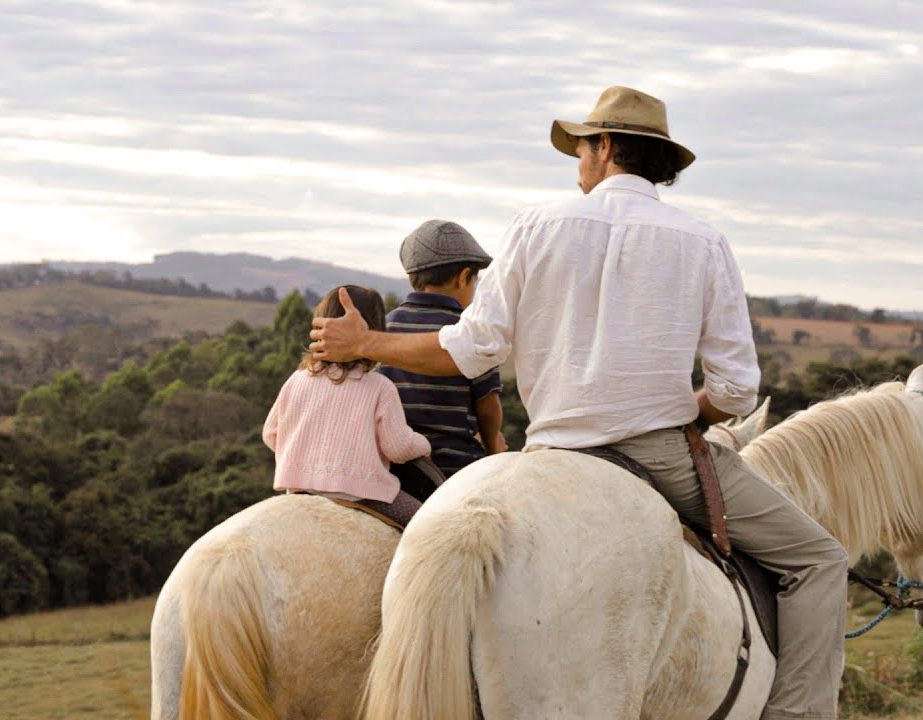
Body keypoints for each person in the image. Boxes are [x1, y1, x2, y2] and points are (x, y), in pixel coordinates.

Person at [310, 86, 848, 719]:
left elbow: (473, 349)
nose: (579, 162)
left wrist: (369, 341)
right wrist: (692, 413)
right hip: (660, 455)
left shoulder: (535, 225)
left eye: (583, 147)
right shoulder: (704, 242)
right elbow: (736, 389)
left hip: (552, 453)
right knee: (819, 559)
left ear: (608, 147)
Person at [264, 284, 431, 527]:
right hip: (363, 495)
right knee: (428, 526)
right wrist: (423, 444)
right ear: (374, 329)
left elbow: (270, 435)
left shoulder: (297, 379)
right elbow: (397, 448)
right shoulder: (379, 386)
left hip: (299, 493)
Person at [379, 219, 506, 479]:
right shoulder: (469, 332)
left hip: (389, 466)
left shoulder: (383, 327)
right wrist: (493, 451)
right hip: (455, 469)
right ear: (463, 278)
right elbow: (488, 406)